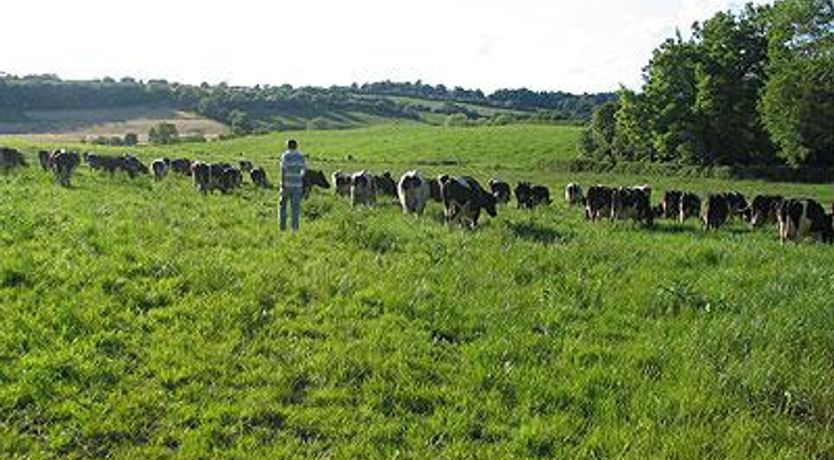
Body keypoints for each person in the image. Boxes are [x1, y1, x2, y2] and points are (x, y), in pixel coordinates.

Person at [279, 138, 306, 232]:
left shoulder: (285, 155)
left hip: (287, 184)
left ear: (287, 146)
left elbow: (283, 170)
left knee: (283, 206)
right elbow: (303, 170)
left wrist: (282, 184)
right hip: (297, 185)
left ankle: (282, 228)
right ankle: (294, 229)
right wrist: (299, 178)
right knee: (295, 208)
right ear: (296, 146)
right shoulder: (301, 156)